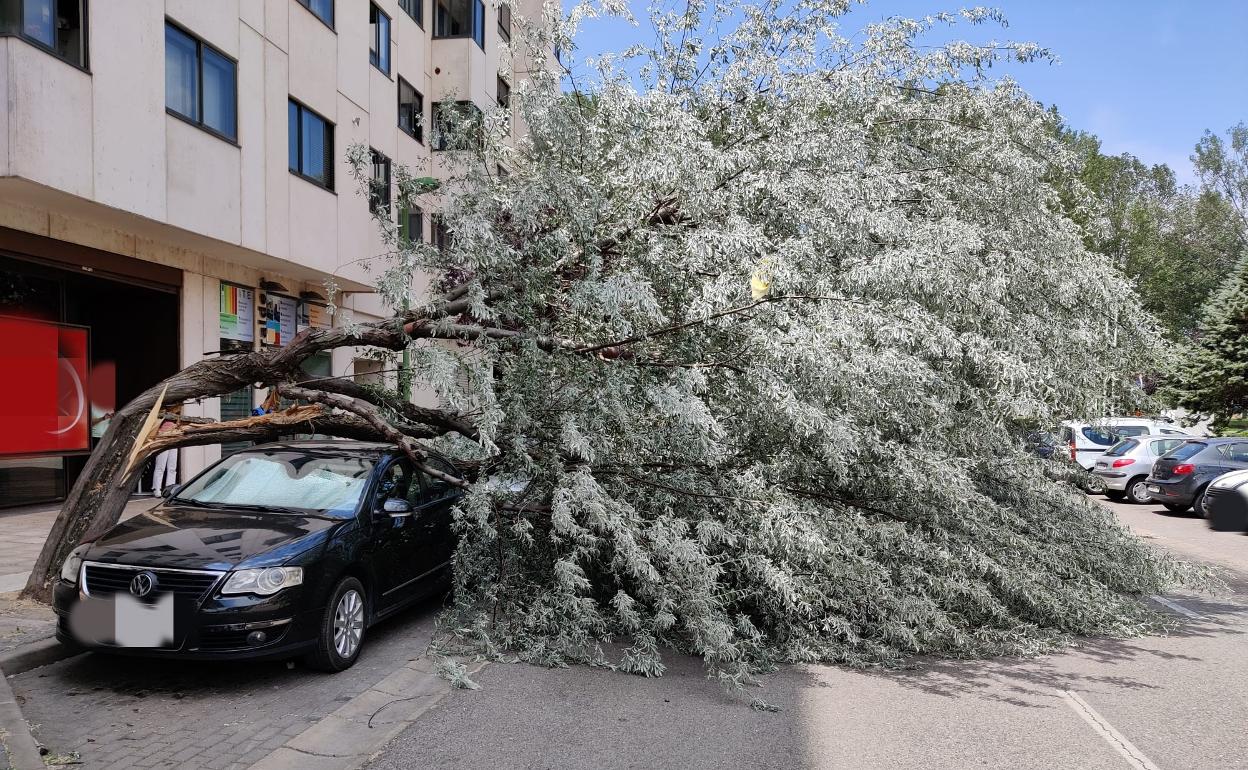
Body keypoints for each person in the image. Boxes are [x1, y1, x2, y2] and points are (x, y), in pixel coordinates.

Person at [152, 413, 180, 497]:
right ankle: (157, 489)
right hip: (162, 438)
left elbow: (179, 423)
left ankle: (170, 489)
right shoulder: (162, 411)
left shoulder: (176, 411)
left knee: (172, 467)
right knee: (160, 466)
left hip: (173, 437)